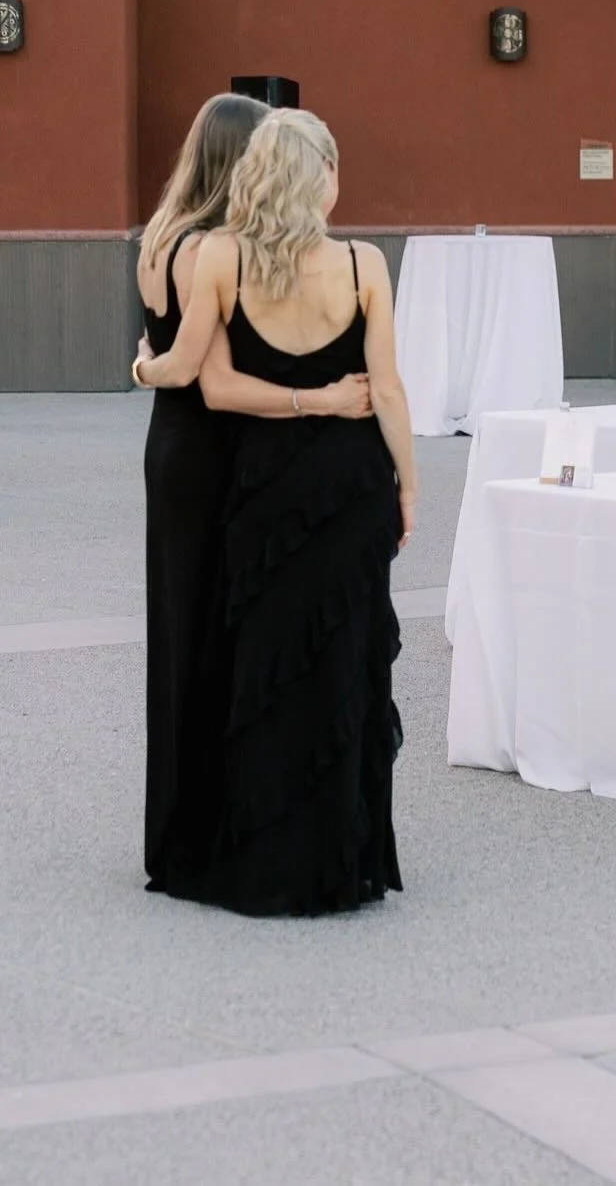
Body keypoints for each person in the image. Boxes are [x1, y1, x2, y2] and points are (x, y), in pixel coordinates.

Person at [133, 108, 415, 914]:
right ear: (321, 173)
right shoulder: (366, 261)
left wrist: (142, 370)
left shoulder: (217, 254)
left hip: (264, 480)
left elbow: (205, 379)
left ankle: (264, 852)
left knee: (266, 667)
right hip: (352, 478)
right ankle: (344, 854)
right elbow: (388, 389)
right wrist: (409, 484)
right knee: (342, 663)